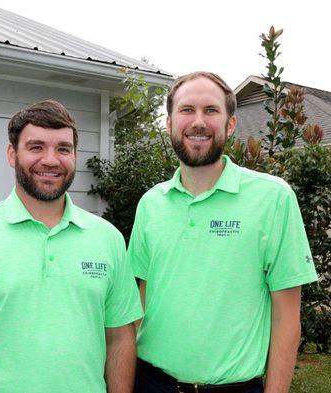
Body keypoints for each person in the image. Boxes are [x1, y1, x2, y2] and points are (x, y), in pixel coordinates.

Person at [0, 100, 143, 393]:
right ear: (13, 154)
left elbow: (120, 338)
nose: (51, 160)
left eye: (63, 149)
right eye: (36, 147)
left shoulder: (108, 238)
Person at [128, 72, 318, 393]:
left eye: (211, 110)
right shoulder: (151, 203)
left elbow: (287, 319)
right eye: (186, 110)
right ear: (170, 123)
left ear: (230, 125)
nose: (198, 121)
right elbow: (140, 304)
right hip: (151, 383)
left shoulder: (273, 198)